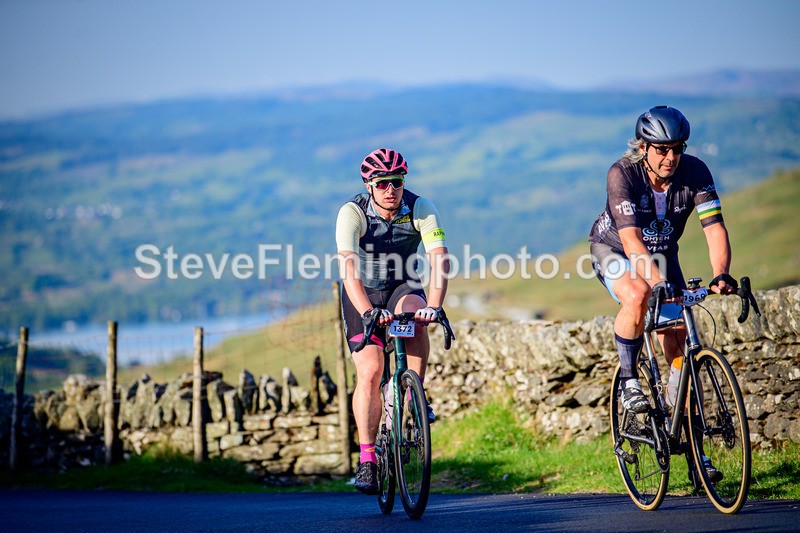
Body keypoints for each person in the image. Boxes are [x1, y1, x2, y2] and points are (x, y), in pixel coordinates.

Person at [588, 106, 737, 481]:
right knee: (637, 295)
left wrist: (721, 274)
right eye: (661, 149)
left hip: (664, 255)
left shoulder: (696, 172)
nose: (671, 157)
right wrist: (657, 283)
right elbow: (632, 241)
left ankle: (693, 450)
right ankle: (629, 381)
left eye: (677, 148)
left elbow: (714, 228)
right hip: (616, 250)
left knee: (681, 353)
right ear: (644, 146)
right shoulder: (622, 173)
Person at [336, 147, 450, 495]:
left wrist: (435, 305)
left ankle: (415, 392)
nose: (391, 189)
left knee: (416, 313)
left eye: (396, 182)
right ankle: (368, 459)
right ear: (369, 185)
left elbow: (439, 258)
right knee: (370, 371)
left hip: (402, 285)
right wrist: (368, 311)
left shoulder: (420, 207)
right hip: (363, 294)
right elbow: (348, 268)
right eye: (382, 183)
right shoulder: (352, 213)